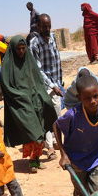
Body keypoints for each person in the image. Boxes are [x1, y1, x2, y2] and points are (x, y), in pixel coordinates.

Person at [0, 35, 58, 173]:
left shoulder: (29, 61)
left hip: (36, 102)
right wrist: (22, 96)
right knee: (33, 133)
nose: (21, 51)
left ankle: (36, 160)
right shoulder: (8, 65)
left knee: (41, 132)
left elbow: (38, 81)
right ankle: (32, 161)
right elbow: (6, 86)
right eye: (18, 49)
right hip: (21, 105)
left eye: (23, 48)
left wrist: (42, 96)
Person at [29, 13, 64, 160]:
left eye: (49, 26)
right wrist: (52, 85)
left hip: (57, 82)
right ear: (38, 26)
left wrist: (60, 82)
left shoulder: (53, 38)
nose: (47, 29)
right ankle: (50, 147)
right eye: (44, 26)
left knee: (56, 115)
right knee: (49, 116)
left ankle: (55, 142)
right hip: (46, 86)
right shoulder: (35, 43)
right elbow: (38, 69)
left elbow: (57, 60)